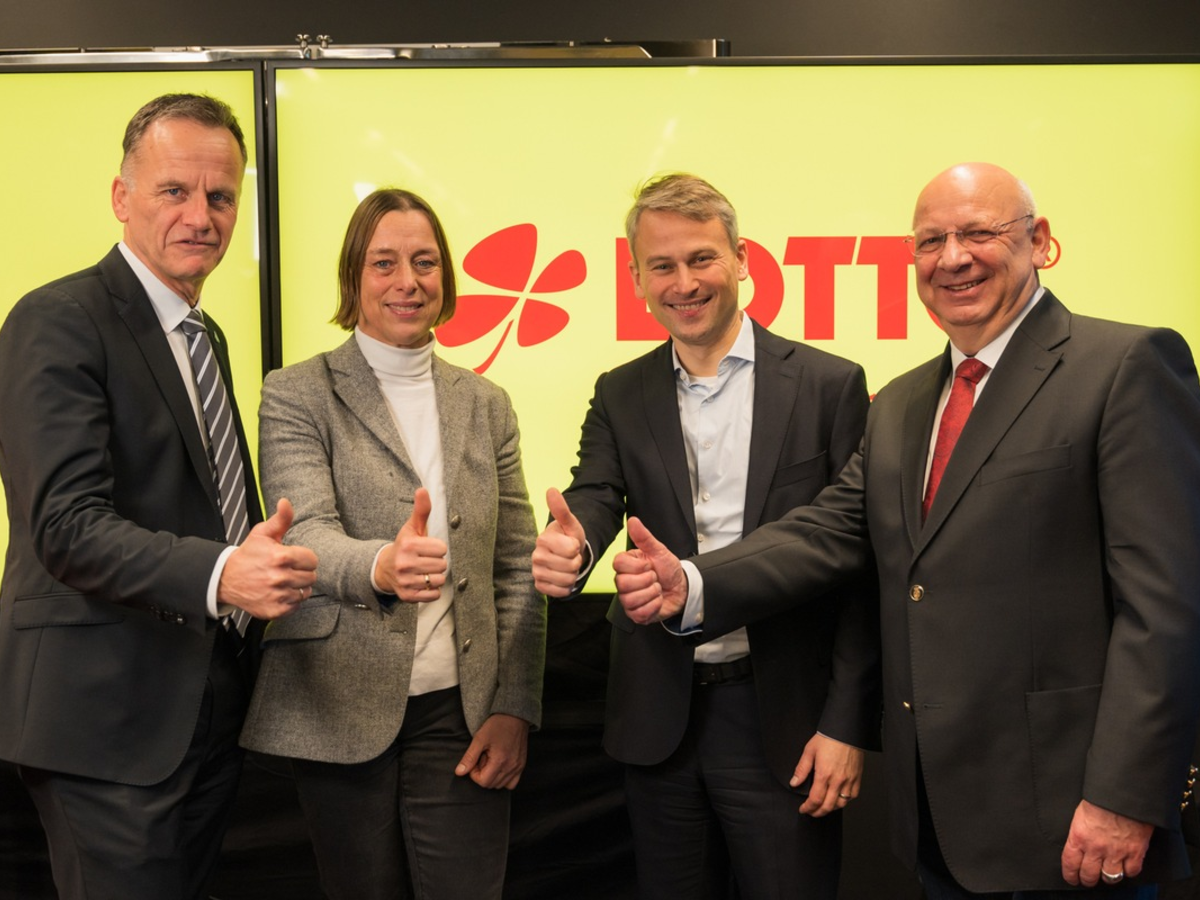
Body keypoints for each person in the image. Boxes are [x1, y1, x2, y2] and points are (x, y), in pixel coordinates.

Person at [612, 162, 1200, 899]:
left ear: (1040, 241)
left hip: (1074, 815)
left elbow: (1167, 609)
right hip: (937, 822)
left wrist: (1125, 794)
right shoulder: (900, 403)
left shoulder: (1126, 365)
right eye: (930, 241)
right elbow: (828, 530)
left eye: (979, 232)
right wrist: (695, 582)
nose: (952, 257)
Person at [0, 93, 319, 900]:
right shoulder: (58, 318)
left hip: (204, 708)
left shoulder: (203, 335)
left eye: (221, 196)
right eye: (174, 190)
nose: (200, 216)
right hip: (104, 719)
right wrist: (223, 574)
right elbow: (66, 526)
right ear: (121, 196)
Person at [531, 173, 880, 899]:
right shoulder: (620, 391)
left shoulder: (829, 385)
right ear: (637, 280)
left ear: (742, 260)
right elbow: (596, 493)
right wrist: (575, 545)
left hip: (786, 719)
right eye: (661, 265)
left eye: (701, 259)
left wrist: (846, 724)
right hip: (658, 714)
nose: (683, 283)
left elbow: (858, 566)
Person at [240, 187, 546, 900]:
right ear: (353, 278)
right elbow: (304, 531)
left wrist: (514, 706)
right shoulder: (296, 392)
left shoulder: (487, 404)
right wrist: (381, 565)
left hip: (461, 710)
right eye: (383, 263)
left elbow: (515, 567)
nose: (407, 281)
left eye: (424, 262)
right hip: (335, 702)